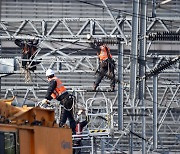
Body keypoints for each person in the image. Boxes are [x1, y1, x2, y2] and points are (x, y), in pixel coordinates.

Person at [42, 69, 76, 134]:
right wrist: (48, 100)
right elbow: (54, 94)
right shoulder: (56, 81)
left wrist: (45, 98)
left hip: (65, 101)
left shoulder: (53, 81)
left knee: (63, 118)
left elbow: (50, 89)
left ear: (48, 77)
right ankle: (73, 132)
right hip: (68, 99)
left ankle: (60, 132)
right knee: (70, 117)